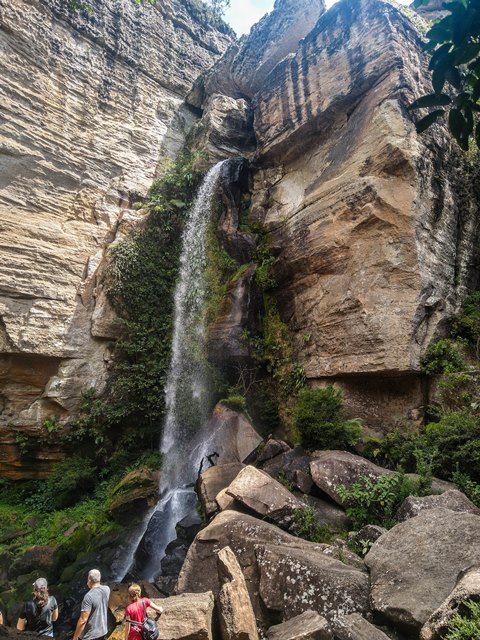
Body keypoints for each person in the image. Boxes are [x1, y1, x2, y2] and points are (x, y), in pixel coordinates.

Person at [73, 569, 110, 640]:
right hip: (103, 631)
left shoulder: (89, 596)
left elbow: (83, 620)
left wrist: (75, 636)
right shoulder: (107, 589)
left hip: (90, 635)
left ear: (89, 580)